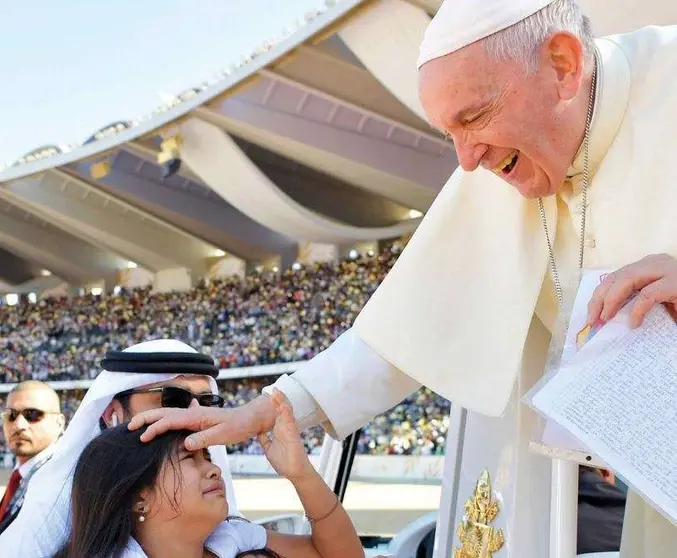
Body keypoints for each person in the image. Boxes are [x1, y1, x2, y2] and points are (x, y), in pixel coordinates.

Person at [129, 1, 677, 556]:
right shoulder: (497, 171)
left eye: (474, 117)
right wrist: (270, 407)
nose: (466, 161)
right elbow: (404, 330)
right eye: (449, 134)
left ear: (562, 65)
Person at [0, 339, 259, 558]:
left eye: (206, 403)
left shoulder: (225, 527)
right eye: (173, 400)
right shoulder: (53, 509)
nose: (195, 418)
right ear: (113, 414)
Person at [55, 390, 362, 558]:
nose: (214, 469)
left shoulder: (229, 537)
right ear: (138, 497)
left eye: (207, 456)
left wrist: (302, 474)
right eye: (190, 458)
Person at [0, 381, 64, 534]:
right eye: (11, 415)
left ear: (59, 422)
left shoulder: (63, 482)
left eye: (33, 415)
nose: (18, 425)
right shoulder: (21, 474)